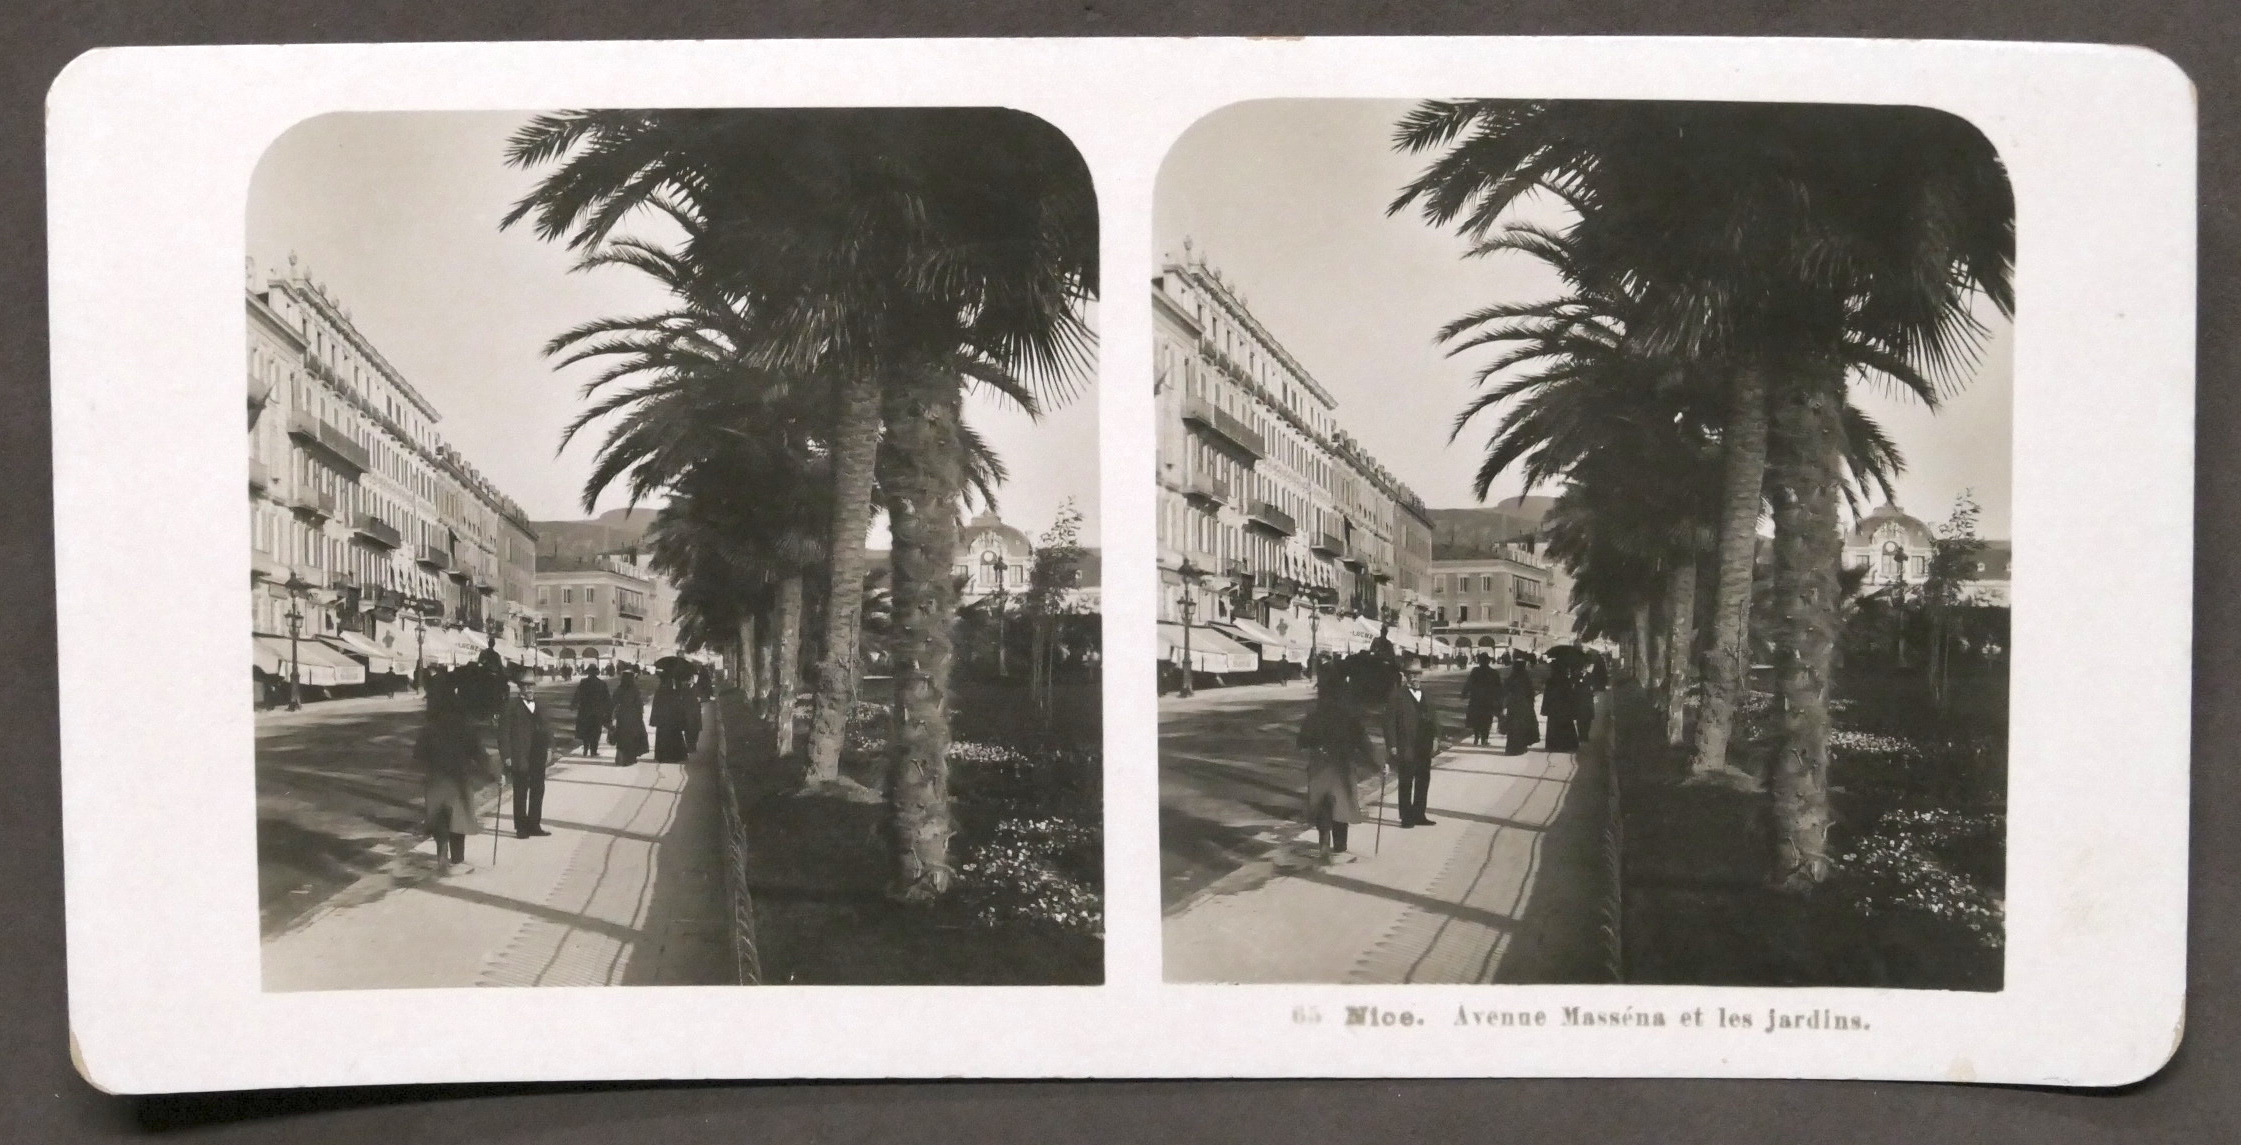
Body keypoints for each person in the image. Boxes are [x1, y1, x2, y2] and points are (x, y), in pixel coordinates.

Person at [415, 674, 494, 875]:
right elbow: (478, 752)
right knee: (458, 819)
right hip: (458, 778)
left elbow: (418, 755)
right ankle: (458, 860)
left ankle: (442, 853)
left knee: (439, 819)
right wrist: (493, 773)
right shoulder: (464, 725)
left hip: (436, 779)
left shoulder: (428, 728)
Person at [1297, 660, 1375, 861]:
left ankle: (1324, 843)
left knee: (1323, 805)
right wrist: (1377, 762)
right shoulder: (1349, 716)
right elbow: (1362, 741)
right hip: (1342, 765)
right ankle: (1340, 845)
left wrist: (1315, 744)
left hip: (1320, 766)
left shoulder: (1314, 716)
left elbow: (1301, 741)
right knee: (1342, 804)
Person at [1384, 657, 1442, 827]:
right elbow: (1388, 722)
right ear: (1406, 676)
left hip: (1423, 746)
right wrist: (1392, 745)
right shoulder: (1397, 695)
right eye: (1411, 674)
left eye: (1417, 674)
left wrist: (1437, 738)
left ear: (1421, 675)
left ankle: (1419, 814)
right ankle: (1407, 817)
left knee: (1423, 781)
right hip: (1406, 746)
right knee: (1406, 782)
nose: (1415, 678)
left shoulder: (1427, 695)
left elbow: (1434, 718)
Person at [498, 668, 554, 838]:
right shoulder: (511, 706)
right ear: (520, 688)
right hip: (519, 755)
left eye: (531, 686)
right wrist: (506, 756)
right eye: (525, 686)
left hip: (538, 755)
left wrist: (550, 748)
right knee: (520, 791)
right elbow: (503, 733)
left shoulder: (541, 705)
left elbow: (548, 729)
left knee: (538, 790)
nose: (529, 689)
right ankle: (521, 827)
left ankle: (534, 824)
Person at [609, 664, 648, 767]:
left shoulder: (619, 689)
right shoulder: (634, 689)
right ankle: (631, 759)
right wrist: (640, 716)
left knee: (621, 738)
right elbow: (639, 704)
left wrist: (613, 715)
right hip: (633, 717)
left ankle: (620, 759)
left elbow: (613, 702)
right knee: (632, 738)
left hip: (622, 716)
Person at [650, 670, 694, 762]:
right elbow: (678, 707)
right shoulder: (673, 693)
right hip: (673, 721)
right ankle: (675, 756)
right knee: (674, 737)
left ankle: (662, 757)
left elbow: (655, 707)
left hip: (662, 721)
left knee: (662, 738)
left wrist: (655, 719)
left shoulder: (659, 692)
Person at [1502, 655, 1541, 756]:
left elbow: (1505, 691)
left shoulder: (1511, 677)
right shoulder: (1526, 678)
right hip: (1525, 705)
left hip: (1513, 705)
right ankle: (1522, 747)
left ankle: (1512, 749)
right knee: (1524, 726)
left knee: (1513, 727)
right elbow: (1531, 692)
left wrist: (1505, 704)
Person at [573, 662, 612, 759]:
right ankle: (593, 751)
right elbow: (606, 698)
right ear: (596, 673)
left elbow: (577, 695)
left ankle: (586, 749)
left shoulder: (583, 682)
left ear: (589, 673)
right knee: (595, 731)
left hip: (585, 710)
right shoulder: (602, 684)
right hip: (597, 712)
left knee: (586, 730)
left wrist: (573, 704)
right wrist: (608, 711)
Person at [1462, 653, 1502, 746]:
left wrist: (1464, 693)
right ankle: (1484, 739)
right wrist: (1499, 698)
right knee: (1487, 719)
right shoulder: (1494, 672)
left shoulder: (1475, 671)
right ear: (1488, 661)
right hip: (1488, 700)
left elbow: (1469, 683)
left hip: (1476, 699)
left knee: (1476, 718)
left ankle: (1476, 737)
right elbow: (1499, 687)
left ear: (1479, 661)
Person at [1544, 660, 1582, 753]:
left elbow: (1547, 696)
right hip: (1564, 708)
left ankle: (1553, 746)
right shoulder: (1566, 680)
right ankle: (1567, 746)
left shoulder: (1550, 681)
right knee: (1566, 726)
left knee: (1553, 726)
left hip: (1553, 708)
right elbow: (1570, 695)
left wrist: (1546, 708)